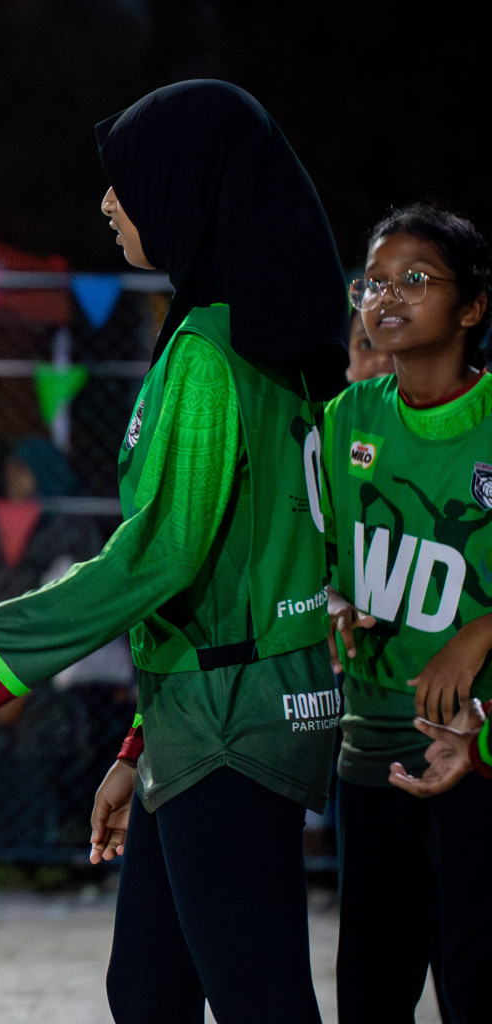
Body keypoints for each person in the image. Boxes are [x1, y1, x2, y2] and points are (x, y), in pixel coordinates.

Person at [0, 80, 348, 1024]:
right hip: (219, 707)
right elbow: (232, 561)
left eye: (128, 181)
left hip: (233, 715)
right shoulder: (263, 338)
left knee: (259, 997)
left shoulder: (209, 350)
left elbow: (161, 553)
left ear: (185, 191)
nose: (109, 203)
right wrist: (144, 745)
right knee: (147, 988)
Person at [321, 203, 492, 1024]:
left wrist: (481, 633)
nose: (386, 296)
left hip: (475, 749)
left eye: (415, 279)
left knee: (475, 974)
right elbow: (304, 553)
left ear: (472, 307)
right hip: (369, 746)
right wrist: (328, 598)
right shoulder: (346, 418)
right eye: (374, 282)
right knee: (373, 985)